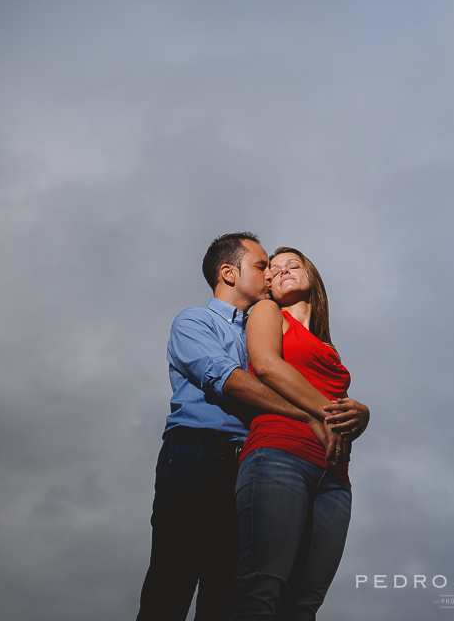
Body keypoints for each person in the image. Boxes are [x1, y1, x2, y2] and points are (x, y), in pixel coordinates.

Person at [136, 233, 336, 621]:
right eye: (262, 266)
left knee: (226, 591)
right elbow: (228, 380)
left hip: (250, 467)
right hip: (197, 457)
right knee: (172, 582)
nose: (270, 275)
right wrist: (306, 414)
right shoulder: (194, 321)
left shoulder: (265, 329)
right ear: (229, 273)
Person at [227, 247, 370, 621]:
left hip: (335, 477)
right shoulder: (267, 312)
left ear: (311, 276)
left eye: (295, 264)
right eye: (274, 268)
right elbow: (268, 366)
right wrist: (329, 412)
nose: (284, 270)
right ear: (268, 283)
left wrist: (361, 413)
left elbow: (337, 409)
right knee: (261, 589)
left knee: (305, 605)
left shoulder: (329, 347)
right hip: (278, 455)